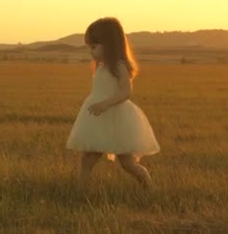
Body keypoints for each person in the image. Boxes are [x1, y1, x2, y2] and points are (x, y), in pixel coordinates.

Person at [66, 17, 160, 190]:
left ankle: (146, 180)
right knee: (88, 158)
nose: (91, 52)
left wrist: (105, 104)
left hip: (116, 118)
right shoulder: (100, 66)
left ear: (109, 45)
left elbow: (126, 92)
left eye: (94, 47)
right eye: (89, 47)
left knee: (127, 163)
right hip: (99, 118)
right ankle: (81, 190)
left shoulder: (119, 65)